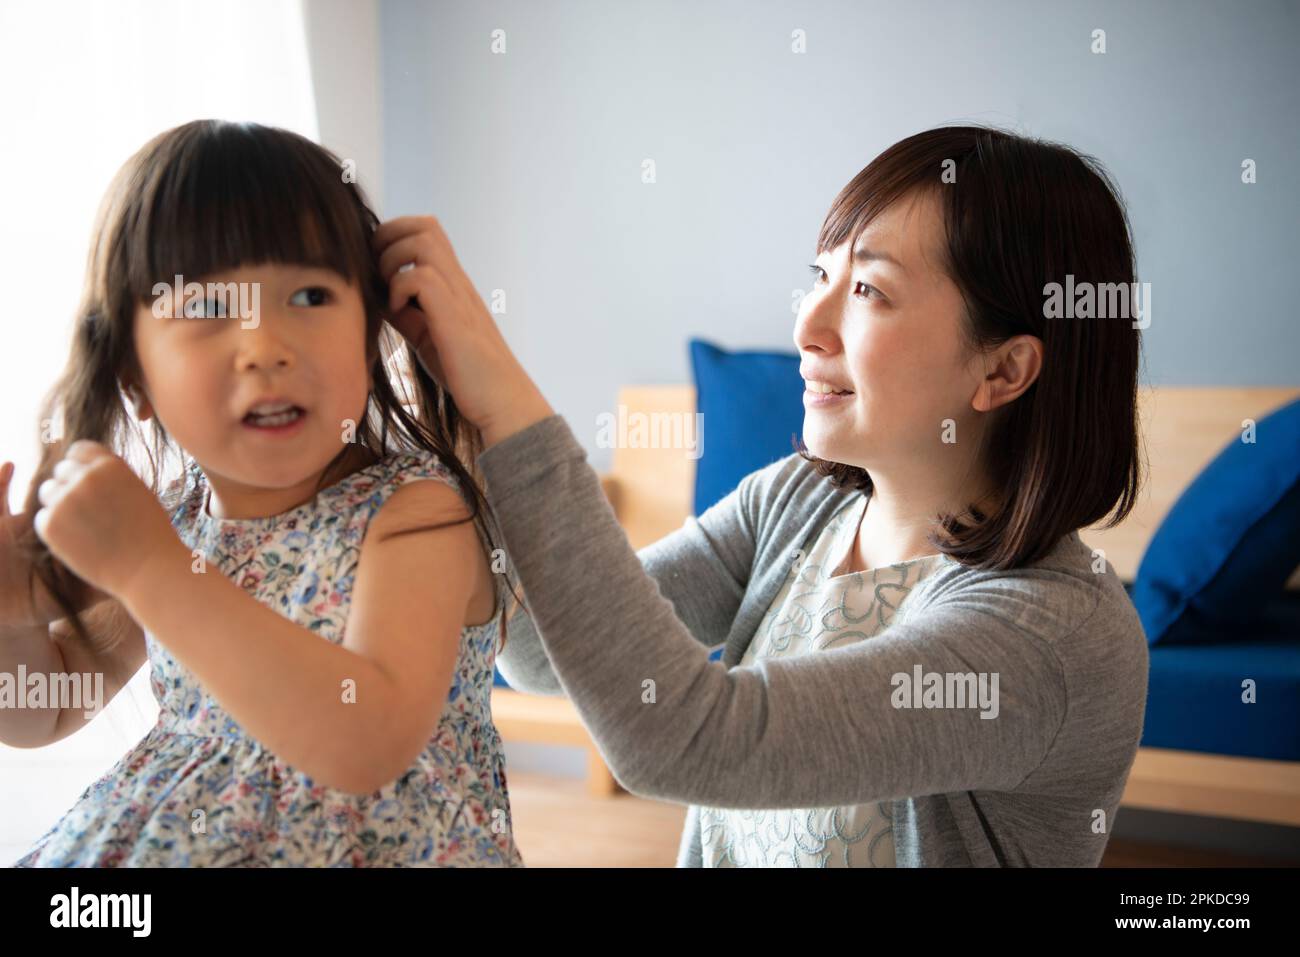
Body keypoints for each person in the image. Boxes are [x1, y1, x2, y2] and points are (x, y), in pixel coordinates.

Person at [374, 125, 1151, 867]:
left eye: (871, 291)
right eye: (821, 277)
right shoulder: (797, 502)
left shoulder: (1048, 636)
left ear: (1004, 371)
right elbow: (542, 652)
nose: (808, 325)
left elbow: (683, 736)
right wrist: (463, 418)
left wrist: (513, 406)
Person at [0, 120, 523, 866]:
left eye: (308, 294)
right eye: (209, 309)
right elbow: (46, 708)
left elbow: (366, 738)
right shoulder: (172, 522)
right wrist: (13, 621)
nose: (267, 344)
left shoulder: (416, 513)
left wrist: (149, 568)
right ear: (133, 377)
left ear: (372, 332)